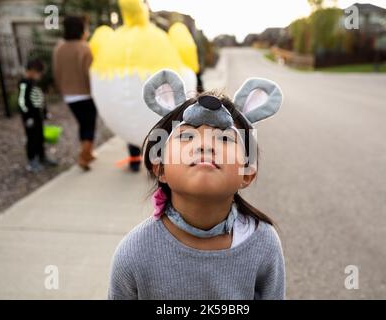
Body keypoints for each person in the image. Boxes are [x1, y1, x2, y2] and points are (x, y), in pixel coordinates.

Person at [108, 70, 285, 299]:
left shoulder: (263, 244)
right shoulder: (135, 252)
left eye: (224, 138)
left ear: (247, 173)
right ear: (160, 167)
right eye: (186, 136)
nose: (204, 146)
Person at [53, 15, 97, 171]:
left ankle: (88, 153)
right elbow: (89, 74)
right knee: (89, 125)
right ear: (81, 30)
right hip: (85, 94)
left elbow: (57, 73)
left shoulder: (59, 48)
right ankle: (84, 157)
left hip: (69, 95)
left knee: (82, 124)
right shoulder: (85, 48)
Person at [18, 58, 58, 172]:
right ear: (30, 70)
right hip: (30, 117)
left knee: (40, 137)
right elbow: (21, 102)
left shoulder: (35, 83)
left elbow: (40, 100)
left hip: (38, 116)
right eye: (38, 72)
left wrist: (45, 113)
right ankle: (32, 161)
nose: (39, 75)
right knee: (32, 138)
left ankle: (42, 157)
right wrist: (27, 116)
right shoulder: (24, 84)